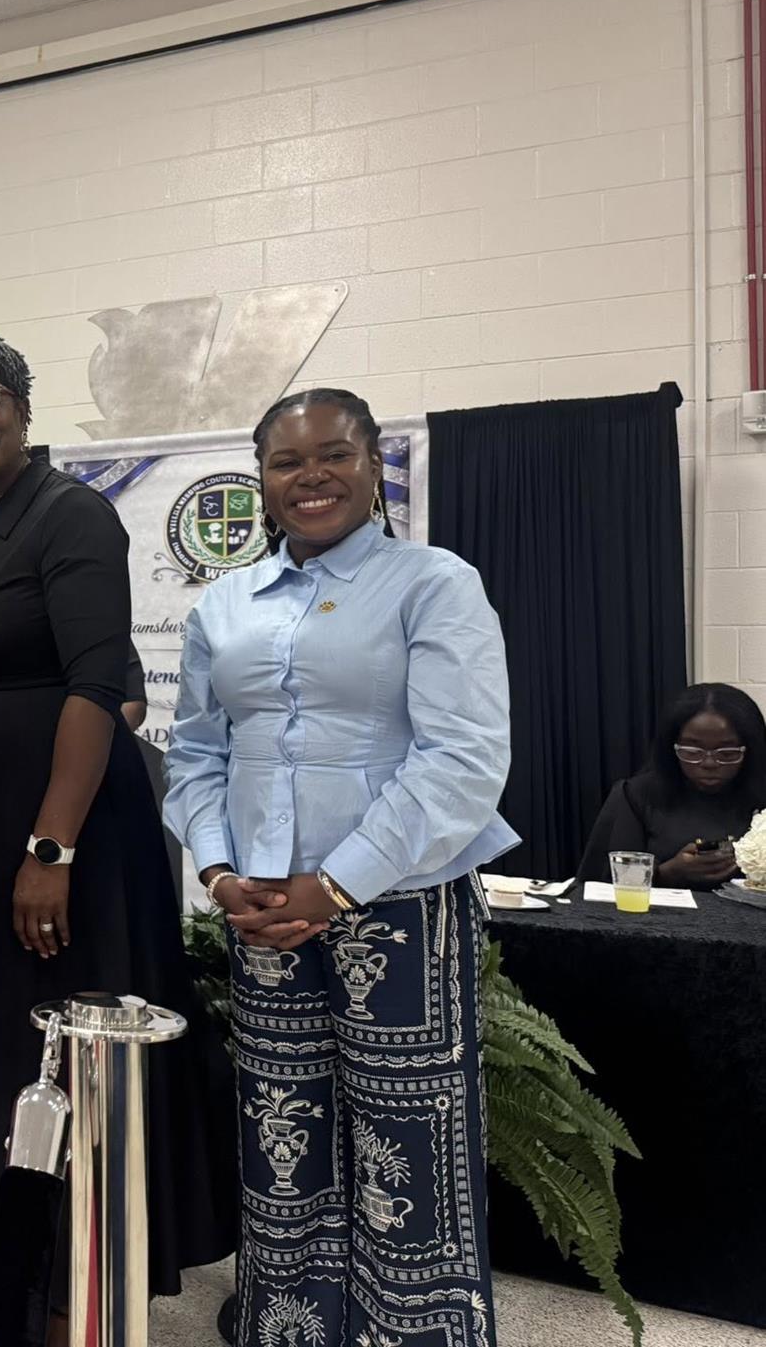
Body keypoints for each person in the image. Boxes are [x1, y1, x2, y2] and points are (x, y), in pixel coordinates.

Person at [0, 331, 235, 1346]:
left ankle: (70, 1306)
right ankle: (6, 1295)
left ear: (21, 404)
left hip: (64, 834)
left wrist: (51, 851)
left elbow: (97, 685)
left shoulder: (70, 514)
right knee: (5, 1067)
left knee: (72, 1068)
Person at [167, 387, 517, 1347]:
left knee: (406, 1135)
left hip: (397, 906)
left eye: (334, 455)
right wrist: (217, 868)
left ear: (374, 467)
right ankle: (290, 1322)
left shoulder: (433, 583)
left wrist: (340, 881)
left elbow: (463, 759)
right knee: (282, 1132)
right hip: (261, 906)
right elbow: (199, 753)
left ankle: (412, 1331)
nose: (310, 475)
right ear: (263, 480)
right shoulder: (225, 604)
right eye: (287, 461)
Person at [578, 682, 766, 887]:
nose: (709, 763)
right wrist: (666, 873)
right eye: (692, 752)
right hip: (656, 918)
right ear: (671, 748)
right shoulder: (637, 796)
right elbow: (598, 887)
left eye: (727, 754)